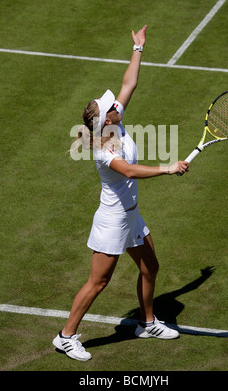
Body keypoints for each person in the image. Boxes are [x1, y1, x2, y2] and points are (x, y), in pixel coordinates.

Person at [53, 25, 189, 361]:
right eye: (110, 105)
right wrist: (167, 168)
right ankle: (65, 336)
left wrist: (138, 48)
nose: (115, 103)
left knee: (150, 268)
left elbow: (129, 83)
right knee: (98, 282)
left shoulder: (114, 120)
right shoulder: (102, 149)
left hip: (132, 216)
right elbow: (128, 171)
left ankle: (146, 322)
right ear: (105, 121)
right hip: (113, 221)